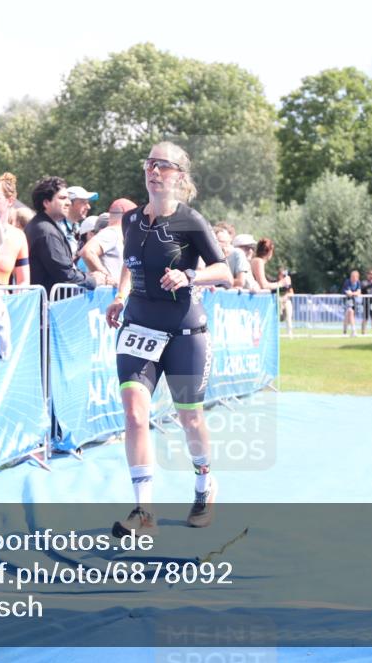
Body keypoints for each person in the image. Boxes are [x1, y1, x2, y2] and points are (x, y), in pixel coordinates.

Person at [104, 141, 231, 536]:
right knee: (134, 414)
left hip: (184, 333)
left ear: (179, 175)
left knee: (189, 418)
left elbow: (224, 271)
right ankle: (144, 511)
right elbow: (130, 263)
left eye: (163, 165)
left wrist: (189, 275)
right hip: (139, 327)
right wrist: (120, 296)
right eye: (149, 164)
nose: (153, 171)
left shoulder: (191, 221)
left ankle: (204, 485)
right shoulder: (130, 219)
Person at [25, 176, 109, 296]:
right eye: (62, 198)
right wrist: (94, 280)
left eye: (68, 198)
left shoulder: (43, 226)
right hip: (49, 303)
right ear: (46, 202)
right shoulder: (46, 232)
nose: (68, 203)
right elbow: (66, 275)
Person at [0, 172, 30, 286]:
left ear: (10, 201)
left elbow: (24, 281)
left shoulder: (18, 237)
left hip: (2, 296)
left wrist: (18, 295)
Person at [81, 197, 136, 283]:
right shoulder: (112, 233)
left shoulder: (115, 234)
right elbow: (87, 251)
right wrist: (106, 277)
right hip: (106, 290)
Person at [211, 223, 248, 289]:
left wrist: (217, 281)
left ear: (230, 238)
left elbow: (240, 281)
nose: (219, 244)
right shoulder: (211, 253)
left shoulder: (237, 253)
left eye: (221, 241)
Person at [66, 185, 97, 254]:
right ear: (69, 204)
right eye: (83, 202)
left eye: (88, 203)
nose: (88, 207)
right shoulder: (59, 229)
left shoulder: (76, 228)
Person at [341, 270, 361, 336]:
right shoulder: (347, 282)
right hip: (346, 300)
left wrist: (353, 293)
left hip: (353, 301)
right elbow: (348, 293)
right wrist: (354, 293)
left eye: (354, 277)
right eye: (352, 276)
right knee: (350, 312)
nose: (353, 278)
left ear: (357, 277)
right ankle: (353, 331)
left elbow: (359, 292)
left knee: (348, 316)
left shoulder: (358, 282)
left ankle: (344, 332)